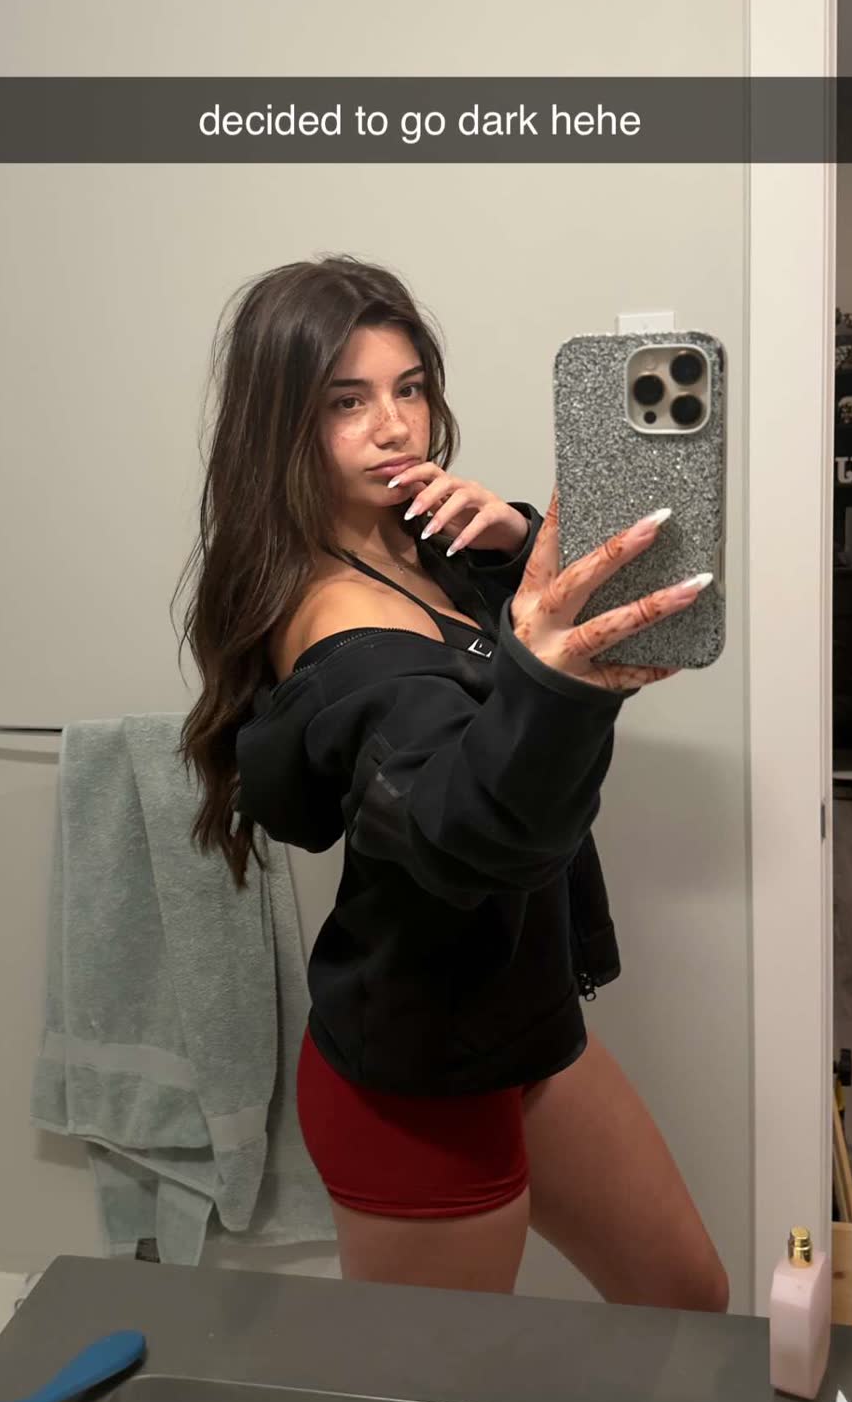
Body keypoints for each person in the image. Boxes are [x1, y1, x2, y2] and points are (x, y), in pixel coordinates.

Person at [176, 254, 729, 1310]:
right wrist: (557, 685)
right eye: (346, 402)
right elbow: (465, 832)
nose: (394, 428)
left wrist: (514, 541)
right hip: (415, 1078)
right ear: (279, 425)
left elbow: (489, 647)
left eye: (410, 387)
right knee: (433, 1398)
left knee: (685, 1299)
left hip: (521, 1025)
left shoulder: (415, 539)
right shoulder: (341, 635)